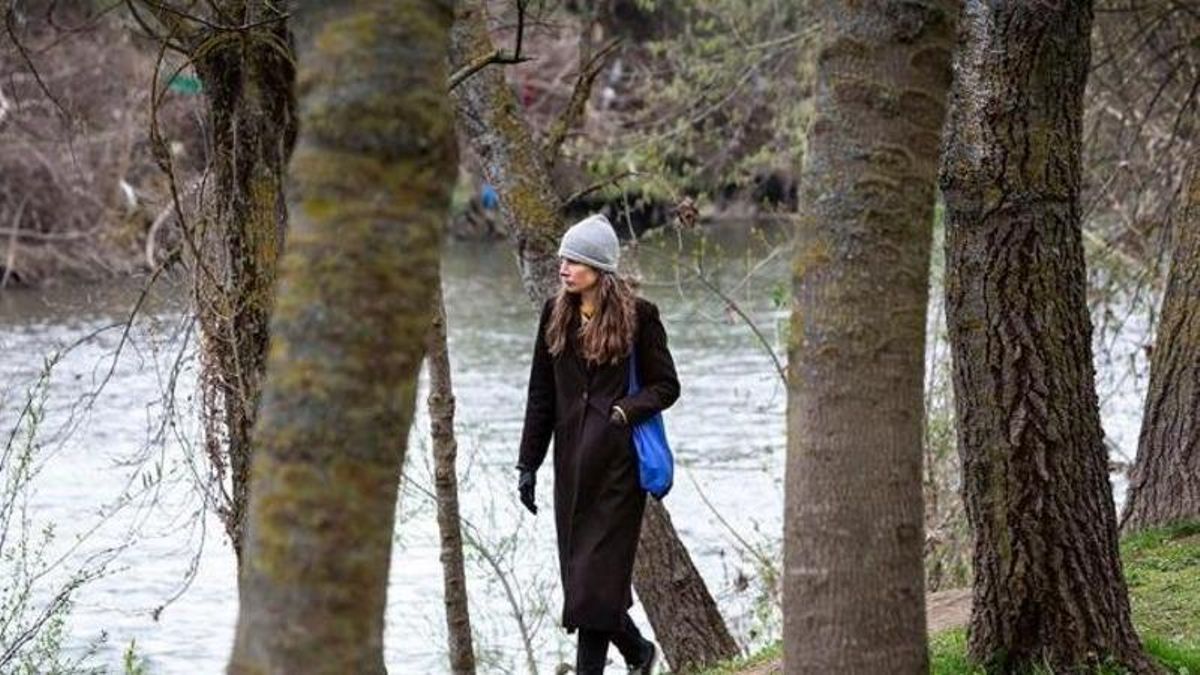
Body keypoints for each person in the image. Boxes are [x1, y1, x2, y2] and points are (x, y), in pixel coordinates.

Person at [516, 213, 680, 674]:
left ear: (598, 268)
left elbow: (666, 386)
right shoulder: (555, 313)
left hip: (617, 472)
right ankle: (638, 651)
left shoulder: (639, 317)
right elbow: (541, 394)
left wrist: (624, 412)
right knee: (588, 585)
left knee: (593, 587)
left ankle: (620, 660)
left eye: (574, 261)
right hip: (571, 471)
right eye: (563, 259)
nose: (564, 268)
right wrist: (528, 464)